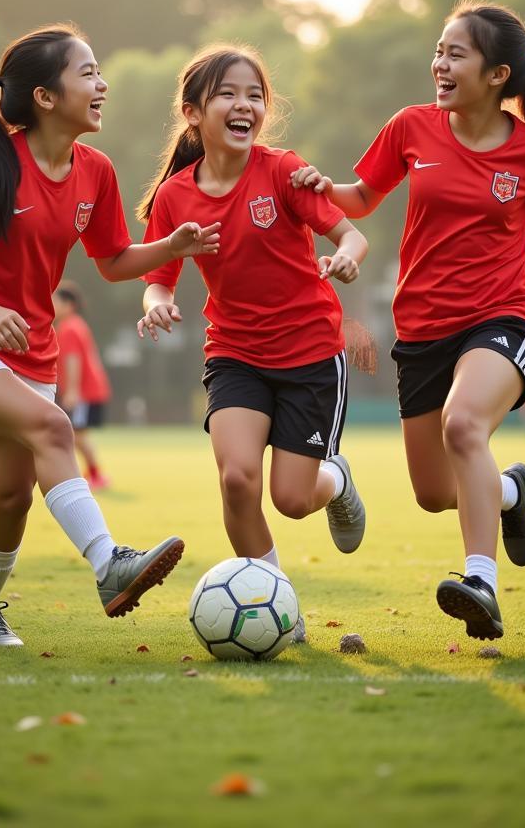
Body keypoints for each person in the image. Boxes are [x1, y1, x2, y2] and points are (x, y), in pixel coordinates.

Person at [291, 0, 525, 641]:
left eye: (455, 54)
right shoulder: (410, 128)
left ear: (497, 75)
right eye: (439, 51)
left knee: (463, 424)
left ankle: (480, 581)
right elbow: (361, 199)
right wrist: (314, 188)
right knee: (432, 492)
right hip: (422, 330)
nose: (439, 64)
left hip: (502, 317)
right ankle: (510, 491)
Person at [0, 23, 220, 647]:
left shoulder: (95, 170)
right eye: (88, 74)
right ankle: (110, 565)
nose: (102, 86)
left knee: (11, 498)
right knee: (54, 429)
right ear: (46, 97)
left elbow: (112, 262)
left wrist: (171, 245)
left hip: (30, 352)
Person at [135, 45, 369, 644]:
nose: (245, 106)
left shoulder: (283, 170)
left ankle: (335, 480)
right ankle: (276, 609)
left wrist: (343, 257)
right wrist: (158, 306)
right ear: (193, 112)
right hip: (234, 353)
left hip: (312, 354)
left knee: (291, 499)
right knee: (237, 479)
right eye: (228, 95)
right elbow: (158, 279)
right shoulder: (174, 197)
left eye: (255, 95)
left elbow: (350, 233)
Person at [52, 280, 113, 489]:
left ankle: (95, 475)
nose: (51, 305)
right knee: (76, 433)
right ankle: (91, 473)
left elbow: (73, 360)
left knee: (77, 434)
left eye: (54, 301)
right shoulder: (74, 325)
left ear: (68, 305)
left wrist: (72, 391)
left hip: (83, 392)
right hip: (84, 391)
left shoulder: (69, 327)